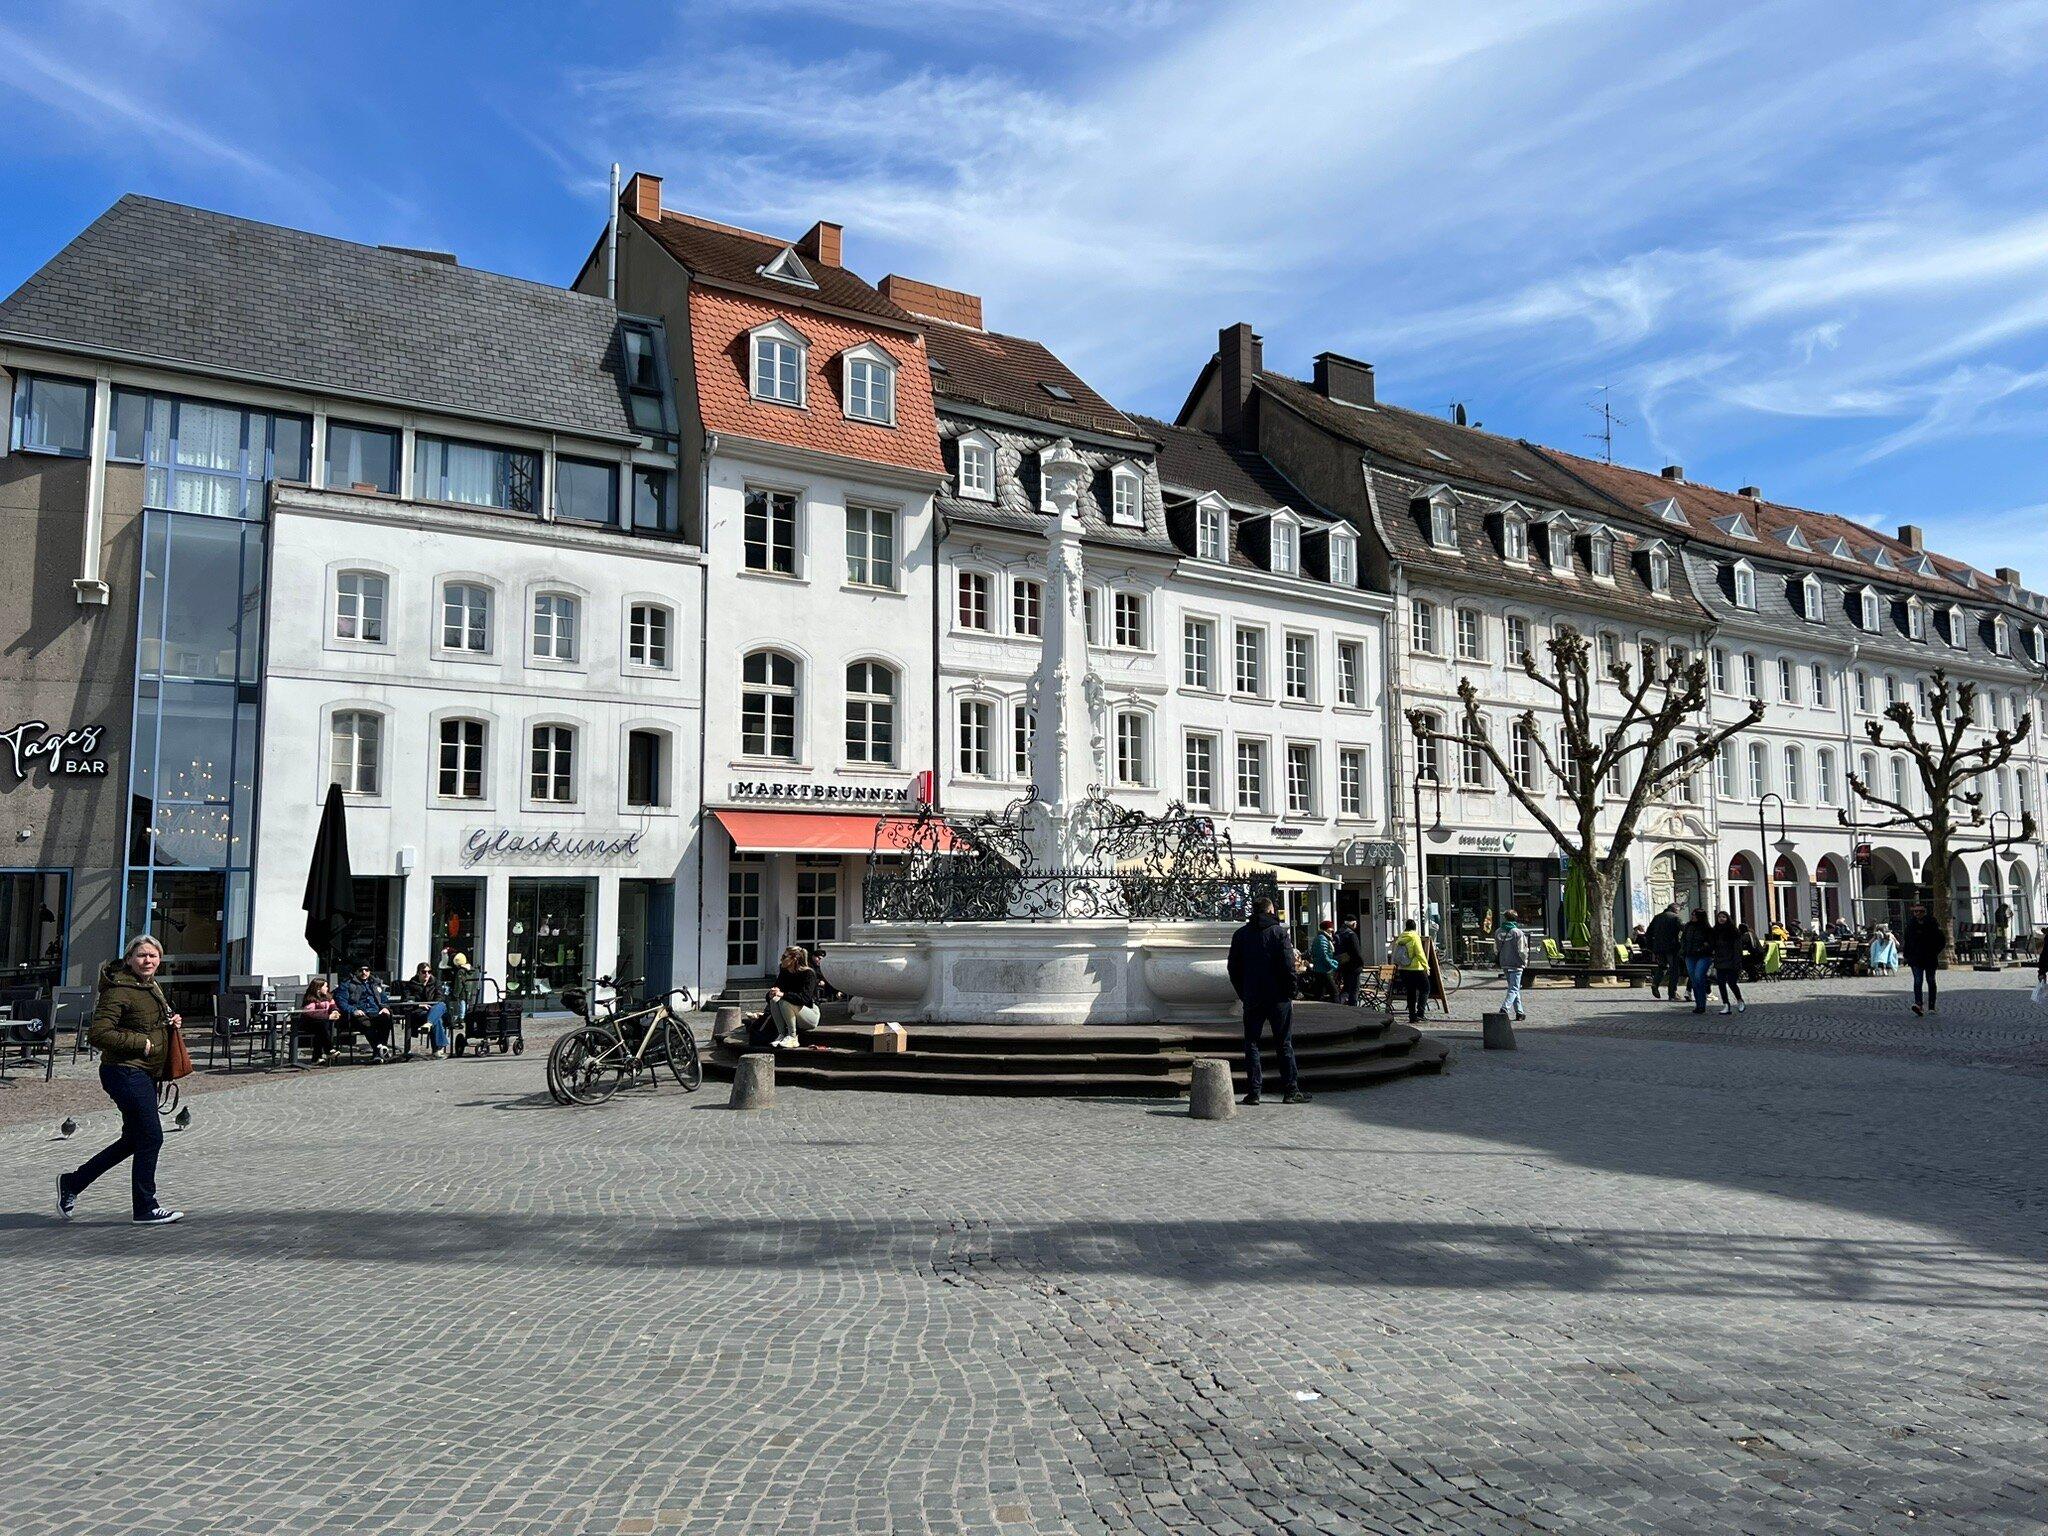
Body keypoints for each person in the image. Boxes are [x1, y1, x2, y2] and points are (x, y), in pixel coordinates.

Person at [58, 935, 185, 1225]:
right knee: (151, 1137)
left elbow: (145, 1022)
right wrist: (142, 1043)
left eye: (153, 956)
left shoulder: (150, 986)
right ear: (129, 959)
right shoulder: (118, 990)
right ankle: (145, 1207)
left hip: (144, 1072)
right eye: (142, 955)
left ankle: (73, 1183)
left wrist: (170, 1024)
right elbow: (99, 1034)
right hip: (124, 1072)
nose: (148, 960)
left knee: (134, 1140)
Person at [1227, 896, 1308, 1106]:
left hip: (1253, 996)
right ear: (1270, 910)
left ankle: (1254, 1092)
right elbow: (1289, 966)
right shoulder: (1279, 933)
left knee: (1252, 1043)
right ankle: (1290, 1090)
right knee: (1283, 1043)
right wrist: (1291, 991)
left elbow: (1233, 968)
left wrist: (1243, 992)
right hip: (1278, 997)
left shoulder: (1241, 934)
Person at [336, 963, 397, 1060]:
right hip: (359, 1013)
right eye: (361, 970)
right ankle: (379, 1050)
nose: (364, 972)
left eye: (366, 970)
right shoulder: (347, 984)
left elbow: (384, 999)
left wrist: (385, 1007)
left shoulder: (375, 982)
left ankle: (379, 1051)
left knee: (386, 1019)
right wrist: (353, 1010)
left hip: (375, 1011)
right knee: (366, 1024)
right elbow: (341, 1002)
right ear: (356, 972)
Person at [766, 945, 820, 1049]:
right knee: (774, 1000)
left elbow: (804, 999)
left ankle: (792, 1036)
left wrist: (783, 994)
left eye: (784, 957)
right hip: (790, 1012)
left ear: (794, 959)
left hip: (810, 1014)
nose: (781, 959)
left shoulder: (808, 973)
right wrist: (771, 994)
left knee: (784, 1001)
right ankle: (781, 1035)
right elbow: (774, 994)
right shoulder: (784, 972)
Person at [397, 962, 451, 1058]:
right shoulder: (410, 985)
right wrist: (420, 1005)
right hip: (419, 1013)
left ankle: (429, 1023)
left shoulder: (436, 983)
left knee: (441, 1005)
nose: (427, 974)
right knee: (437, 1020)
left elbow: (440, 997)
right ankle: (437, 1050)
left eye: (429, 972)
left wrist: (431, 1006)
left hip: (434, 1009)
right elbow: (406, 1000)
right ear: (418, 972)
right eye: (424, 972)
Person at [1901, 901, 1946, 1017]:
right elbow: (1907, 942)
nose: (1917, 914)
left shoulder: (1932, 923)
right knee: (1918, 981)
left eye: (1920, 911)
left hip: (1930, 957)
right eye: (1915, 911)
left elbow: (1941, 940)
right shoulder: (1910, 924)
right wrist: (1906, 956)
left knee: (1931, 981)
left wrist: (1935, 952)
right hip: (1915, 958)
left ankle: (1931, 1006)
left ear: (1925, 912)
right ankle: (1918, 1004)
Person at [1711, 911, 1759, 1015]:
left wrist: (1737, 961)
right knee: (1721, 983)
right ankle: (1726, 1004)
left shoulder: (1733, 931)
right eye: (1719, 917)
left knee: (1732, 983)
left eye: (1723, 917)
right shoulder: (1715, 930)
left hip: (1731, 960)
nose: (1721, 919)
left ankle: (1739, 1000)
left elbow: (1738, 948)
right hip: (1720, 960)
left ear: (1727, 918)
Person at [1391, 918, 1431, 1024]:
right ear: (1415, 927)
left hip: (1403, 969)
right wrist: (1426, 966)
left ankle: (1412, 1016)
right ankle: (1420, 1013)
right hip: (1416, 968)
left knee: (1410, 992)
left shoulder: (1401, 937)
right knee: (1425, 988)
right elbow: (1419, 953)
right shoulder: (1414, 936)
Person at [1645, 902, 1684, 1002]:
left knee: (1662, 966)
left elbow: (1648, 933)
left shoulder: (1657, 917)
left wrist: (1651, 947)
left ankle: (1655, 984)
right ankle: (1672, 993)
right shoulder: (1675, 918)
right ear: (1676, 909)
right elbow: (1684, 929)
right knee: (1674, 970)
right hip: (1672, 948)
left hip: (1658, 948)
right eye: (1678, 911)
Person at [1495, 909, 1529, 1022]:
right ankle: (1505, 1008)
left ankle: (1520, 1012)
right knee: (1514, 988)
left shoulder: (1498, 931)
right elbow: (1522, 950)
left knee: (1513, 987)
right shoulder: (1518, 932)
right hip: (1516, 963)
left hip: (1504, 962)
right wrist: (1524, 961)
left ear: (1505, 918)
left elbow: (1495, 949)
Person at [297, 977, 340, 1063]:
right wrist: (328, 1017)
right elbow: (310, 1013)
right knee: (321, 1026)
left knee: (321, 1030)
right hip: (309, 1024)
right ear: (318, 989)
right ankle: (329, 1049)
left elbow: (333, 1005)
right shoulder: (310, 999)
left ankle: (316, 1058)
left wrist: (335, 1011)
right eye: (325, 986)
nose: (327, 988)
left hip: (322, 1025)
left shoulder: (328, 996)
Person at [1681, 908, 1715, 1013]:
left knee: (1699, 977)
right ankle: (1698, 1004)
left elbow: (1711, 943)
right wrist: (1683, 949)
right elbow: (1683, 939)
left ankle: (1702, 1005)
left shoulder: (1707, 928)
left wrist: (1703, 948)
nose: (1693, 916)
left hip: (1703, 956)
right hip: (1689, 955)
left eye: (1695, 915)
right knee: (1694, 980)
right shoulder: (1688, 926)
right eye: (1692, 914)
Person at [1333, 919, 1366, 1007]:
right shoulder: (1351, 935)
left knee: (1346, 987)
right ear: (1353, 923)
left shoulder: (1339, 933)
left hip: (1343, 964)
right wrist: (1361, 963)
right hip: (1354, 966)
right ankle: (1353, 1006)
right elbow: (1356, 951)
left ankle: (1341, 1004)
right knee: (1354, 989)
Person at [1307, 920, 1339, 1001]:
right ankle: (1338, 1007)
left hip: (1320, 968)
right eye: (1331, 929)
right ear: (1327, 929)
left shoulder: (1322, 938)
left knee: (1320, 992)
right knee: (1334, 992)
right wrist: (1334, 964)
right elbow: (1324, 955)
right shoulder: (1322, 939)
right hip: (1324, 969)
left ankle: (1318, 1006)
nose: (1332, 931)